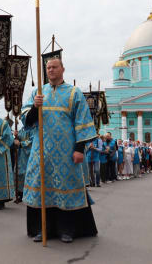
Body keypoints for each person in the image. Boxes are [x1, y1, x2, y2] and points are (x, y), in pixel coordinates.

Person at [21, 57, 97, 243]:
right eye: (48, 67)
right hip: (41, 153)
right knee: (42, 189)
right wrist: (34, 108)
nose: (50, 70)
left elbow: (83, 122)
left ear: (62, 69)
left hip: (66, 154)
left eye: (54, 67)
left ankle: (67, 229)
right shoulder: (37, 93)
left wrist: (79, 148)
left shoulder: (73, 93)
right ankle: (41, 229)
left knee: (66, 189)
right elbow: (27, 122)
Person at [14, 127, 34, 202]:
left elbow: (32, 141)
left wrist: (21, 144)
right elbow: (18, 140)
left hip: (27, 155)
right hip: (20, 154)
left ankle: (25, 193)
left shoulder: (32, 129)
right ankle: (19, 192)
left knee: (25, 173)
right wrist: (16, 135)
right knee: (18, 173)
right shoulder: (22, 129)